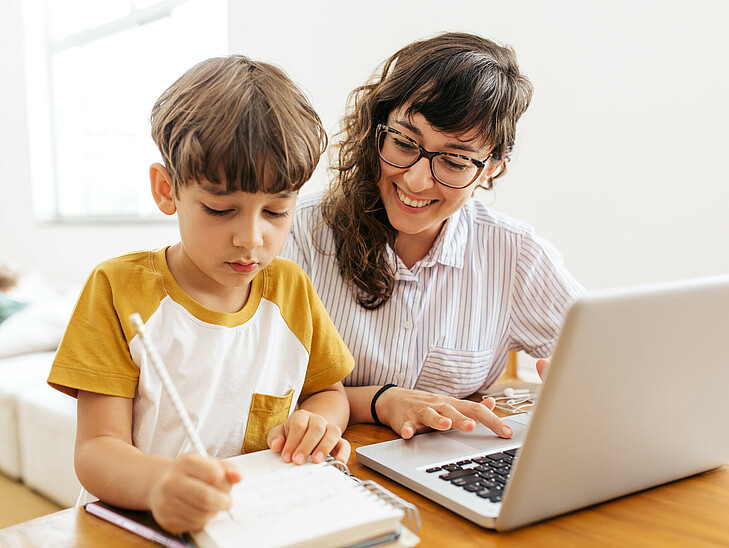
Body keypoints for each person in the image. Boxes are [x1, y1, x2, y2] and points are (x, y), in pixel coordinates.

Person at [47, 56, 354, 534]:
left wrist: (317, 421)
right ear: (166, 189)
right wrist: (160, 484)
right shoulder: (117, 288)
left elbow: (329, 393)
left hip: (256, 526)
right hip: (138, 527)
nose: (251, 238)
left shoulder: (290, 288)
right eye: (219, 209)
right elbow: (95, 450)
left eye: (276, 212)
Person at [280, 32, 585, 442]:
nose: (417, 180)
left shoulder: (515, 255)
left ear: (492, 167)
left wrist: (588, 381)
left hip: (446, 471)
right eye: (405, 143)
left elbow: (609, 359)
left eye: (455, 161)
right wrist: (382, 401)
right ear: (378, 130)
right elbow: (254, 397)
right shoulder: (297, 233)